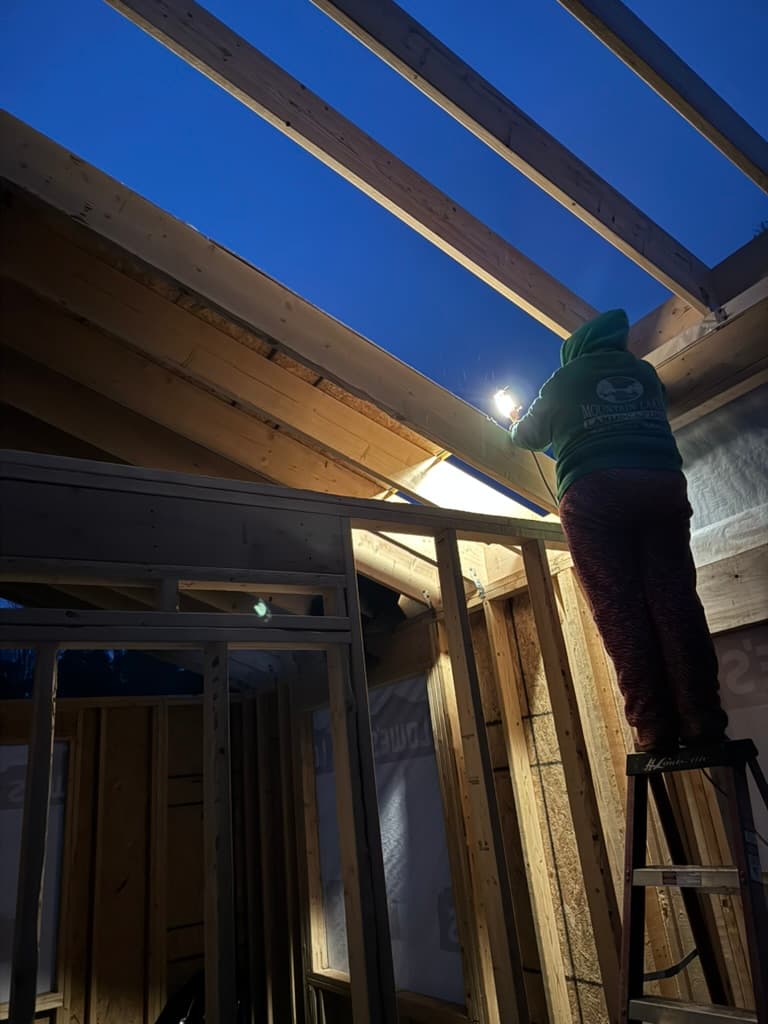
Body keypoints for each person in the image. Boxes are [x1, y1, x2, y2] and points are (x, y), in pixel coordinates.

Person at [507, 308, 728, 754]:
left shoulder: (563, 380)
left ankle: (655, 730)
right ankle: (703, 721)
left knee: (618, 608)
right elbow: (660, 401)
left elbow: (526, 438)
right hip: (662, 486)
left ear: (575, 351)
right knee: (675, 600)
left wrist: (514, 419)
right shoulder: (642, 373)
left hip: (595, 495)